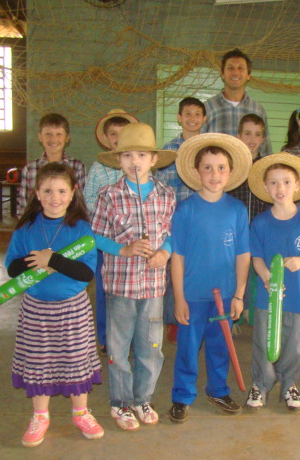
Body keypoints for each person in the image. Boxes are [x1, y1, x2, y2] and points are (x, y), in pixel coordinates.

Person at [5, 162, 103, 447]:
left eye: (61, 191)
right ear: (37, 193)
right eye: (47, 191)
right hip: (36, 309)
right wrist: (36, 261)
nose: (54, 197)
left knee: (75, 359)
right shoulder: (26, 229)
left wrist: (54, 260)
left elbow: (86, 273)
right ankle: (40, 416)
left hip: (73, 309)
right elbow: (12, 268)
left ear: (72, 193)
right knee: (39, 362)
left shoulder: (81, 229)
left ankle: (81, 412)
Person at [91, 123, 176, 431]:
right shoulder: (109, 195)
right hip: (120, 287)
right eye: (127, 155)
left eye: (141, 155)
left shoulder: (166, 195)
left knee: (150, 348)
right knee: (118, 349)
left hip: (153, 288)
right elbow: (95, 236)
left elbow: (173, 233)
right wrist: (123, 249)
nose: (134, 161)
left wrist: (165, 252)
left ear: (154, 159)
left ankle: (143, 398)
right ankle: (121, 402)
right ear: (119, 160)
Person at [168, 133, 252, 424]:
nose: (214, 174)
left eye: (221, 168)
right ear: (196, 171)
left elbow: (243, 255)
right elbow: (177, 256)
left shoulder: (237, 210)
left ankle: (218, 390)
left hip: (225, 295)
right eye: (207, 167)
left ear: (230, 172)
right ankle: (182, 395)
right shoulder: (186, 210)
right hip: (193, 295)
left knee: (220, 347)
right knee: (188, 349)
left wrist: (239, 294)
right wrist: (179, 298)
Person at [245, 152, 300, 411]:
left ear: (297, 185)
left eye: (286, 182)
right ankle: (260, 384)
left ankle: (289, 384)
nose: (280, 188)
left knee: (296, 343)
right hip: (267, 296)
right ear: (265, 187)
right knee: (264, 340)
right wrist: (266, 277)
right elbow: (256, 257)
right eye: (273, 182)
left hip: (298, 296)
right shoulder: (260, 222)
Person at [84, 108, 138, 354]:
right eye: (113, 134)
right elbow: (89, 202)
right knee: (105, 291)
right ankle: (106, 337)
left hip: (133, 242)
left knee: (132, 291)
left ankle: (132, 336)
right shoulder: (98, 168)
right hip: (105, 241)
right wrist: (113, 216)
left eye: (123, 133)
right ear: (105, 138)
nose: (117, 138)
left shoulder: (138, 166)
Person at [156, 97, 208, 344]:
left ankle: (200, 317)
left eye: (197, 114)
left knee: (198, 269)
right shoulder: (169, 152)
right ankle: (173, 320)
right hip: (176, 221)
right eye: (187, 113)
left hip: (203, 221)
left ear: (204, 119)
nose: (192, 119)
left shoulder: (208, 150)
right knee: (174, 271)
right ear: (179, 117)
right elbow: (161, 188)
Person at [202, 48, 272, 156]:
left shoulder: (258, 110)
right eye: (230, 68)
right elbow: (199, 148)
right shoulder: (208, 108)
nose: (235, 72)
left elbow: (266, 152)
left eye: (240, 68)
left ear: (248, 75)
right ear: (222, 73)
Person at [17, 113, 86, 216]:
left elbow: (80, 205)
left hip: (68, 223)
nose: (53, 139)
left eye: (59, 134)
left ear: (67, 138)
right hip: (37, 223)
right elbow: (24, 207)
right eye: (48, 134)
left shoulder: (77, 167)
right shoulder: (30, 169)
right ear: (40, 137)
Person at [230, 113, 271, 222]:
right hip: (234, 224)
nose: (252, 139)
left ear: (262, 139)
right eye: (247, 133)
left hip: (260, 225)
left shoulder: (268, 167)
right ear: (239, 136)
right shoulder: (230, 166)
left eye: (257, 134)